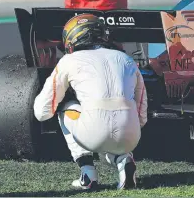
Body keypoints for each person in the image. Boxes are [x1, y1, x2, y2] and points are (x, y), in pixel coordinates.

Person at [33, 13, 148, 190]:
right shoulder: (127, 60)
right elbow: (141, 113)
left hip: (93, 133)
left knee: (65, 108)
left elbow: (42, 112)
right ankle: (124, 160)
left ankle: (88, 174)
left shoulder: (69, 61)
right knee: (117, 118)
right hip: (131, 135)